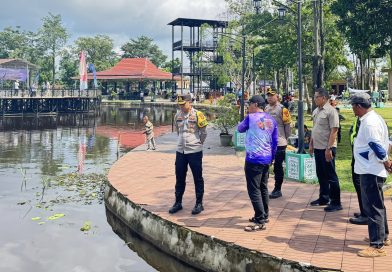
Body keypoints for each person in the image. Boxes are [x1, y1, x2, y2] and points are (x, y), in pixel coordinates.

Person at [350, 93, 391, 257]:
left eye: (353, 106)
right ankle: (383, 236)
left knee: (372, 207)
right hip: (370, 168)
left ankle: (377, 245)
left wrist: (386, 161)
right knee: (377, 205)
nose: (352, 109)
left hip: (370, 169)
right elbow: (387, 142)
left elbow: (376, 144)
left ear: (359, 106)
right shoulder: (374, 118)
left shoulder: (369, 123)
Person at [238, 95, 278, 232]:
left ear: (255, 104)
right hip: (267, 158)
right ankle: (264, 215)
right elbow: (275, 141)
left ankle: (260, 221)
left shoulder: (250, 118)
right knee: (263, 187)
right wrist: (271, 157)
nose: (248, 107)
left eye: (249, 104)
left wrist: (245, 117)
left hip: (254, 159)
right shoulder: (271, 120)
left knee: (254, 190)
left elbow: (239, 129)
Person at [169, 94, 208, 215]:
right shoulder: (177, 115)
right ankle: (178, 202)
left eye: (183, 104)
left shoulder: (198, 114)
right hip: (181, 151)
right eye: (179, 104)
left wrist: (198, 143)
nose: (181, 106)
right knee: (179, 177)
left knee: (197, 178)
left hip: (194, 151)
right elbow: (178, 131)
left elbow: (203, 133)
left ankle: (199, 204)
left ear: (189, 103)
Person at [309, 87, 342, 212]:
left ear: (323, 98)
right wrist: (311, 144)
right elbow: (315, 129)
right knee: (321, 174)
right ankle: (324, 197)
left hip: (327, 148)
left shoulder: (331, 111)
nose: (314, 99)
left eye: (316, 97)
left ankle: (336, 202)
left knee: (331, 175)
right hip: (318, 147)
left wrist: (329, 148)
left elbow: (334, 131)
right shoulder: (316, 111)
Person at [265, 88, 291, 199]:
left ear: (277, 97)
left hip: (279, 141)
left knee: (277, 166)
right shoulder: (266, 108)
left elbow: (288, 126)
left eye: (272, 95)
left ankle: (277, 189)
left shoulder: (283, 109)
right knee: (265, 164)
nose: (270, 97)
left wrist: (285, 138)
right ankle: (264, 187)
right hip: (267, 141)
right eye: (268, 95)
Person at [348, 117, 367, 225]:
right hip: (357, 155)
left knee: (360, 185)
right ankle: (363, 211)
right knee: (358, 184)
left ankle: (365, 214)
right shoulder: (360, 119)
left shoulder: (366, 121)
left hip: (361, 157)